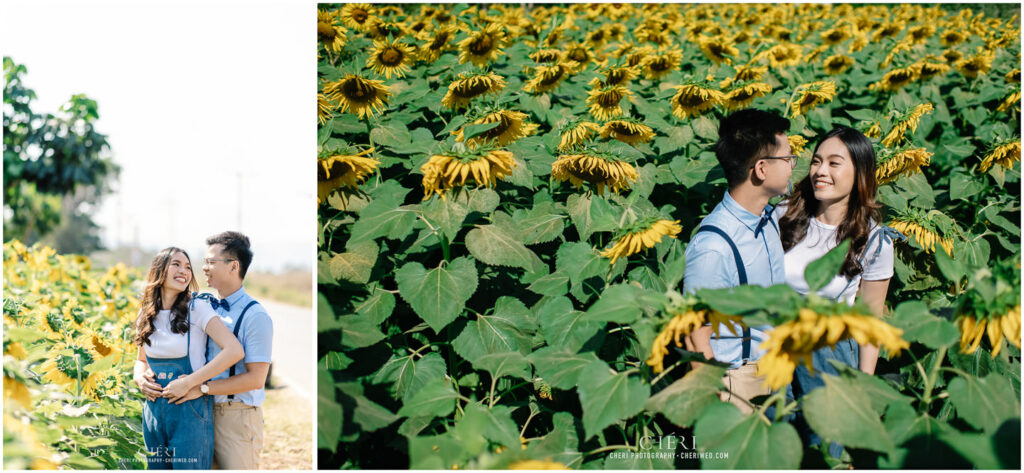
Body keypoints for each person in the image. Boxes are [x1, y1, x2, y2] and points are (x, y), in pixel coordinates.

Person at [775, 126, 895, 456]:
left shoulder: (874, 239)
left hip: (828, 357)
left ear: (860, 174)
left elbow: (870, 321)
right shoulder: (781, 216)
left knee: (825, 452)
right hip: (772, 347)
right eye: (816, 161)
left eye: (834, 163)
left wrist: (863, 390)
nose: (820, 171)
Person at [683, 108, 793, 414]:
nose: (792, 167)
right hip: (738, 381)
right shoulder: (713, 247)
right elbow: (696, 334)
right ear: (761, 169)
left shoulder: (769, 216)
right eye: (787, 159)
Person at [135, 232, 273, 469]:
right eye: (202, 262)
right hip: (199, 405)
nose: (203, 268)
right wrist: (139, 375)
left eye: (210, 262)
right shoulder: (201, 304)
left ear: (233, 266)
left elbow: (257, 378)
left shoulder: (255, 316)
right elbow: (142, 358)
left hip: (233, 415)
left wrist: (199, 387)